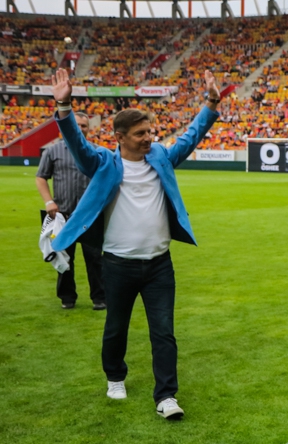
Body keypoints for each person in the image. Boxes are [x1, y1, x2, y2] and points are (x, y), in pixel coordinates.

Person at [48, 68, 220, 420]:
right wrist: (64, 106)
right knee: (116, 328)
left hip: (159, 265)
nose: (148, 138)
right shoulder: (103, 163)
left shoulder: (161, 157)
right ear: (120, 137)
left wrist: (212, 102)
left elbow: (190, 137)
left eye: (150, 132)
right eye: (140, 134)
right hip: (117, 265)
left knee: (164, 332)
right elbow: (78, 145)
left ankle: (166, 396)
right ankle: (115, 377)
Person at [35, 111, 105, 310]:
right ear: (67, 126)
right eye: (77, 125)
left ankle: (100, 298)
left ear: (89, 129)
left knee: (95, 259)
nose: (80, 129)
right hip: (62, 216)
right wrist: (49, 201)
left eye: (84, 126)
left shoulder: (97, 152)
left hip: (90, 216)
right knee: (64, 258)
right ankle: (67, 298)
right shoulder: (52, 151)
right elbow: (41, 177)